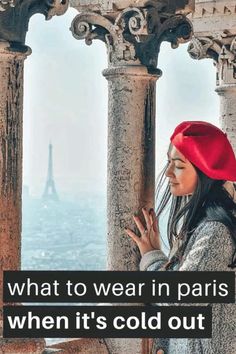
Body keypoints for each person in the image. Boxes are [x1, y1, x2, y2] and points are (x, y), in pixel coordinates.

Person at [125, 121, 236, 354]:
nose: (168, 173)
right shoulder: (205, 223)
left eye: (178, 166)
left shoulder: (216, 231)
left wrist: (152, 259)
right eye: (168, 162)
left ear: (205, 170)